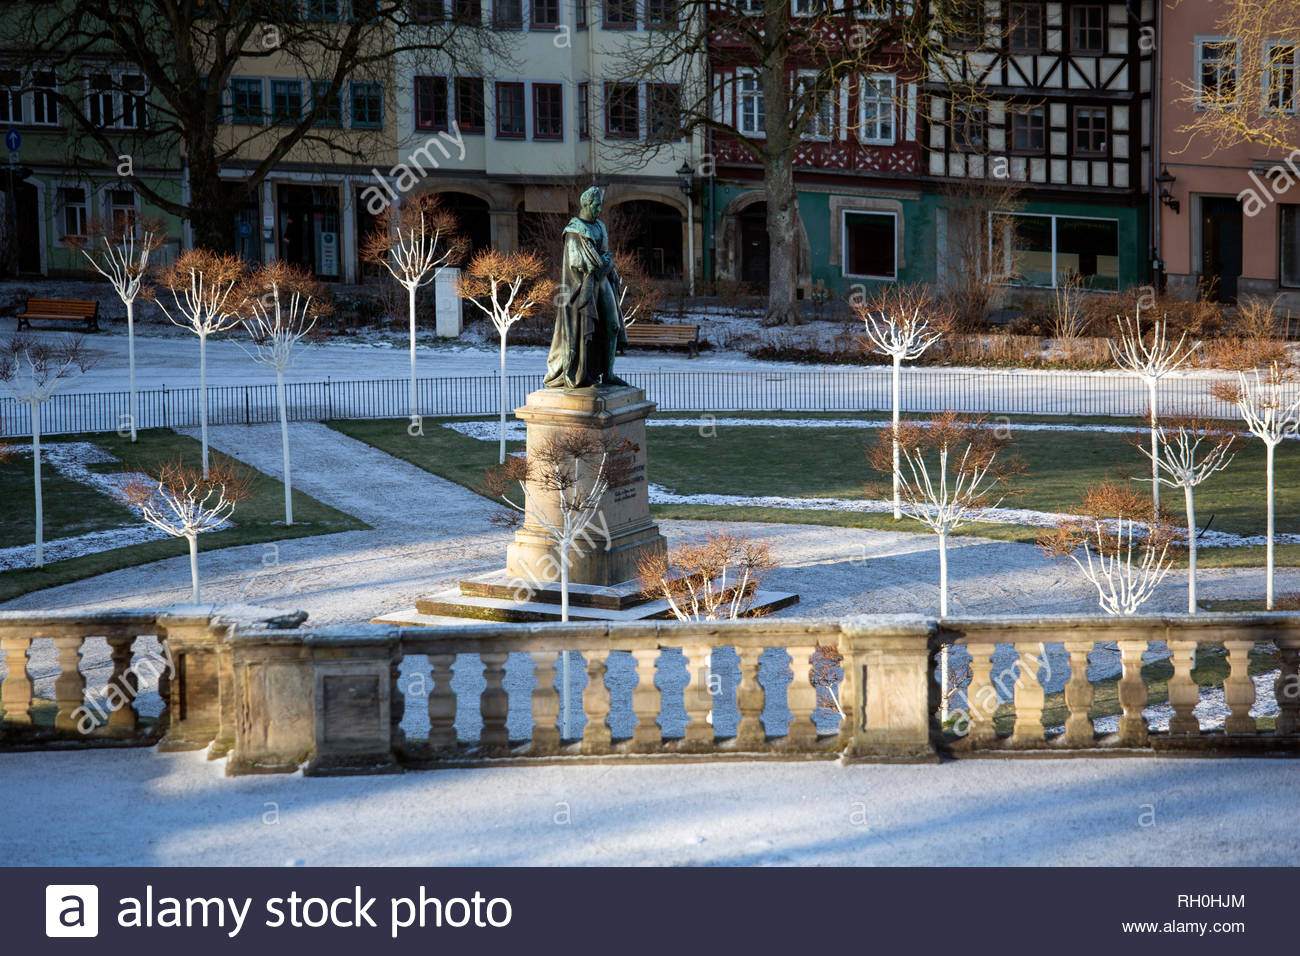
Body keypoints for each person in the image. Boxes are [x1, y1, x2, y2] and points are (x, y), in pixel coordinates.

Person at [543, 186, 630, 389]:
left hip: (603, 281)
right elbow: (589, 265)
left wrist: (605, 263)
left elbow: (601, 259)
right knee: (585, 331)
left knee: (613, 326)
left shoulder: (599, 226)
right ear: (586, 204)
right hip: (583, 287)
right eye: (596, 205)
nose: (599, 209)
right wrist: (606, 263)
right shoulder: (574, 232)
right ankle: (582, 371)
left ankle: (608, 374)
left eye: (600, 205)